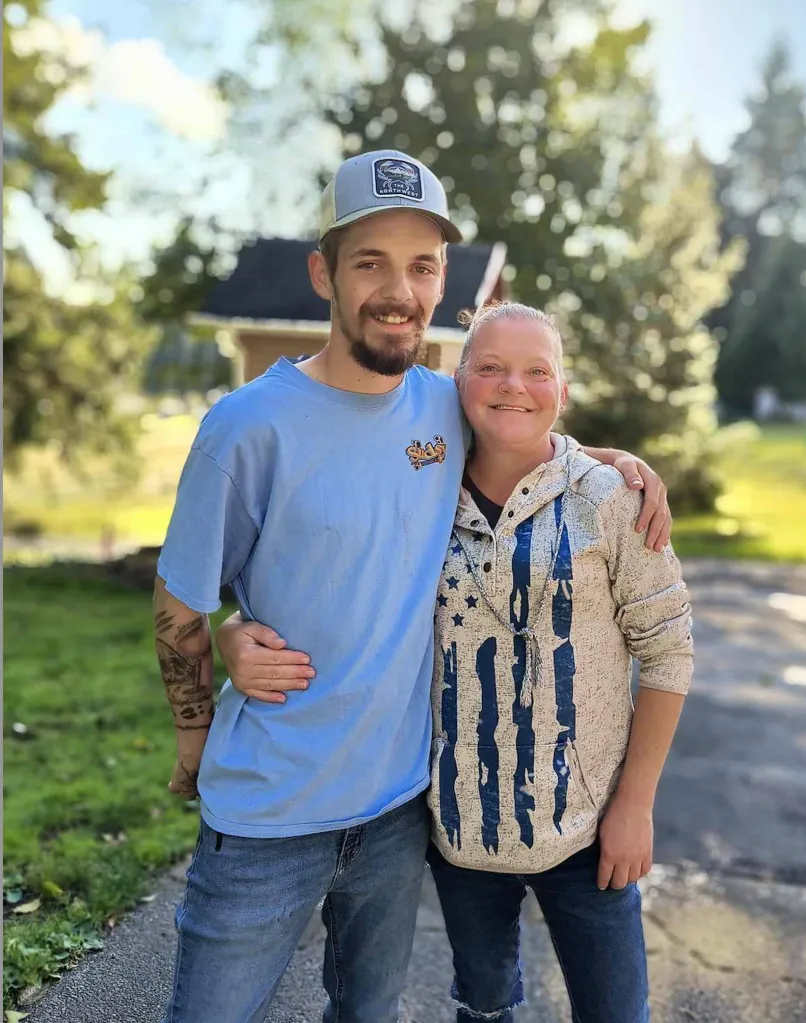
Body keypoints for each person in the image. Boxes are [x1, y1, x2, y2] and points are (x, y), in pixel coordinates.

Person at [152, 149, 672, 1023]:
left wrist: (618, 466)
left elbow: (526, 419)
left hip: (400, 812)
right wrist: (196, 736)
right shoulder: (243, 429)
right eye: (370, 263)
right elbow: (177, 609)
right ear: (324, 273)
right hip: (266, 818)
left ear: (440, 285)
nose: (397, 289)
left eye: (420, 266)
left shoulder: (444, 404)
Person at [219, 302, 693, 1022]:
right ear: (456, 381)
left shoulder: (608, 501)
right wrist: (235, 629)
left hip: (589, 823)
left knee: (616, 1009)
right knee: (482, 999)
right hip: (463, 828)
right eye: (491, 367)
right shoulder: (419, 488)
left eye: (538, 371)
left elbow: (667, 649)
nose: (514, 386)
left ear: (561, 390)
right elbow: (327, 574)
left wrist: (635, 803)